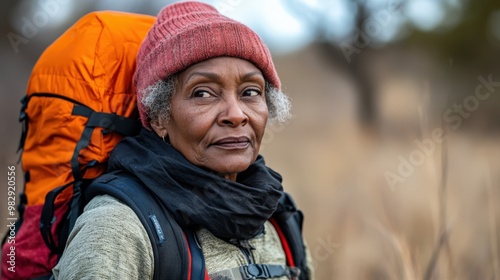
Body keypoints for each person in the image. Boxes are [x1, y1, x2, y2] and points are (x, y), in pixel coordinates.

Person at [53, 1, 314, 279]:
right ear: (159, 118)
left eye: (250, 92)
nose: (236, 115)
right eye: (203, 93)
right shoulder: (117, 228)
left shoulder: (276, 213)